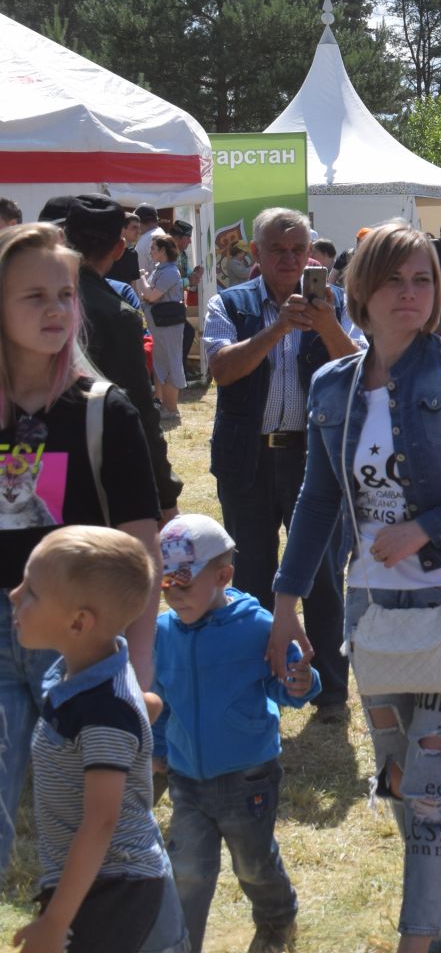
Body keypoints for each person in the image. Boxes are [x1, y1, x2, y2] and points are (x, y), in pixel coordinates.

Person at [268, 222, 441, 953]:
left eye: (423, 280)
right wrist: (285, 604)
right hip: (375, 608)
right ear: (360, 292)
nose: (411, 293)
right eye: (394, 280)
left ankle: (418, 942)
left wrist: (427, 530)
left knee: (432, 785)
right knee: (398, 777)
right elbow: (318, 502)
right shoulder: (330, 385)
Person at [0, 223, 164, 871]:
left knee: (94, 834)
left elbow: (139, 552)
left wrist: (140, 669)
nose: (55, 310)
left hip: (78, 644)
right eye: (32, 296)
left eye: (65, 294)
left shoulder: (104, 411)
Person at [203, 208, 360, 726]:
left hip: (313, 461)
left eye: (300, 250)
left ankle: (331, 693)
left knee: (320, 575)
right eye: (279, 250)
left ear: (312, 253)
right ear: (256, 255)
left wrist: (327, 323)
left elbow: (357, 371)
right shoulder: (230, 303)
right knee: (248, 575)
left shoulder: (335, 305)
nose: (291, 260)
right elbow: (222, 371)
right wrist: (276, 329)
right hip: (247, 459)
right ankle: (258, 687)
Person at [11, 527, 187, 953]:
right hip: (96, 883)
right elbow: (148, 704)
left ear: (78, 622)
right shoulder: (87, 669)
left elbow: (101, 822)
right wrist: (144, 715)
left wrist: (55, 921)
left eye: (31, 590)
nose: (14, 596)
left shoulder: (102, 710)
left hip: (120, 895)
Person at [153, 515, 315, 953]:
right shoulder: (162, 634)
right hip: (186, 778)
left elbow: (291, 678)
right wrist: (158, 748)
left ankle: (277, 921)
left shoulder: (256, 626)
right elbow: (160, 699)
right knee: (187, 869)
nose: (173, 597)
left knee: (254, 864)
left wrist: (301, 684)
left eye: (183, 586)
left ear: (223, 575)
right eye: (165, 587)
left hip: (248, 777)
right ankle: (180, 943)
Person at [38, 197, 182, 526]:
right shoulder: (116, 314)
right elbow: (140, 410)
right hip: (92, 464)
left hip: (28, 457)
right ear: (119, 248)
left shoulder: (27, 299)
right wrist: (165, 494)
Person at [137, 236, 187, 422]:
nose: (150, 252)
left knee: (170, 363)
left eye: (153, 248)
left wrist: (141, 276)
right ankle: (167, 407)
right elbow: (146, 293)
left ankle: (172, 409)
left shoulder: (170, 272)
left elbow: (149, 295)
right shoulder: (161, 270)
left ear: (163, 251)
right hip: (160, 325)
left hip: (169, 326)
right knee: (162, 364)